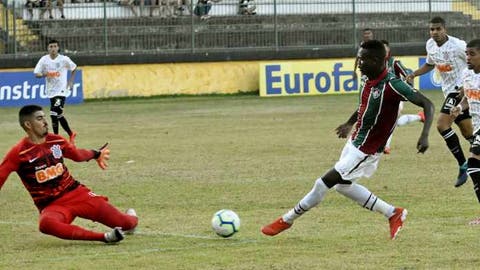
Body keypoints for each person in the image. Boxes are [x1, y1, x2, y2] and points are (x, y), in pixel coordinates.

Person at [261, 40, 434, 240]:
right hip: (355, 141)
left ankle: (287, 219)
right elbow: (364, 105)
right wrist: (349, 123)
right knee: (343, 186)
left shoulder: (392, 84)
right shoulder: (367, 79)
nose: (358, 63)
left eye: (363, 59)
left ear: (378, 61)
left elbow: (428, 104)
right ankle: (393, 213)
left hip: (367, 149)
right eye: (358, 58)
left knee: (323, 183)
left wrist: (425, 134)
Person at [0, 105, 138, 243]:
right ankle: (106, 237)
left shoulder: (56, 140)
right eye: (40, 118)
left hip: (77, 193)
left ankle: (130, 218)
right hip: (52, 205)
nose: (46, 122)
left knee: (126, 224)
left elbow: (77, 155)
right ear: (28, 124)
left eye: (44, 117)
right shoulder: (19, 153)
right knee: (46, 224)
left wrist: (96, 154)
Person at [406, 16, 473, 188]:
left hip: (459, 91)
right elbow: (430, 64)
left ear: (445, 29)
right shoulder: (430, 45)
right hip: (448, 92)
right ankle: (475, 159)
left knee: (442, 125)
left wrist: (467, 85)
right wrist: (414, 74)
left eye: (438, 29)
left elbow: (475, 62)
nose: (434, 32)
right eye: (432, 29)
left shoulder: (458, 45)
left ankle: (463, 165)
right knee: (468, 133)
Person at [450, 39, 480, 224]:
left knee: (473, 164)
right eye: (467, 54)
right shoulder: (466, 74)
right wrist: (459, 108)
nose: (467, 57)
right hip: (477, 128)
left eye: (472, 54)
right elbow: (468, 98)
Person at [381, 40, 426, 154]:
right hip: (383, 97)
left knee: (389, 121)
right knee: (395, 122)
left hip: (396, 97)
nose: (383, 51)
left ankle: (386, 146)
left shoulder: (395, 63)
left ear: (388, 50)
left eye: (385, 48)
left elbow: (407, 74)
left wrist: (409, 89)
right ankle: (420, 117)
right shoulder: (376, 64)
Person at [34, 39, 77, 144]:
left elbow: (74, 68)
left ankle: (56, 138)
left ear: (58, 48)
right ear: (48, 48)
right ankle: (71, 133)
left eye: (55, 46)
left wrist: (70, 82)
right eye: (51, 47)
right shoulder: (44, 60)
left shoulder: (64, 59)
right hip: (51, 91)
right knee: (58, 114)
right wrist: (46, 74)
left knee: (53, 113)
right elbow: (36, 73)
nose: (53, 49)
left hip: (61, 91)